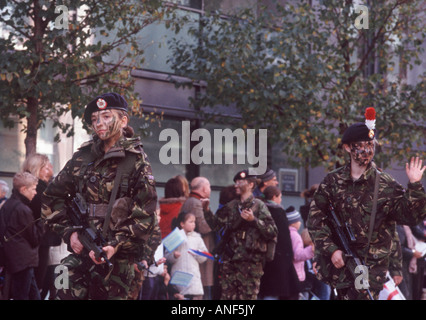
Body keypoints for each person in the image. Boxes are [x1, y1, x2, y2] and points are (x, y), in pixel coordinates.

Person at [41, 92, 158, 300]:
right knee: (62, 283)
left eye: (106, 116)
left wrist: (115, 245)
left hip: (116, 261)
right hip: (81, 252)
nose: (98, 124)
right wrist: (70, 233)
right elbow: (51, 198)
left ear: (123, 121)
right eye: (94, 119)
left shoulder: (136, 161)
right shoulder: (83, 157)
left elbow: (146, 216)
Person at [307, 107, 426, 300]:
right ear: (347, 147)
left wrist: (414, 186)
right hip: (339, 267)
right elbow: (315, 221)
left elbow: (410, 216)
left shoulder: (385, 184)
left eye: (370, 145)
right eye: (360, 145)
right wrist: (331, 250)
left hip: (369, 269)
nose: (367, 150)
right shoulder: (332, 182)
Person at [205, 169, 278, 300]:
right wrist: (206, 210)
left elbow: (272, 231)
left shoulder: (259, 206)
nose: (236, 185)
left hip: (250, 265)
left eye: (240, 182)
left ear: (250, 184)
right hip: (230, 263)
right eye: (236, 182)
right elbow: (216, 225)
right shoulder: (231, 206)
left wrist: (254, 221)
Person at [1, 172, 45, 299]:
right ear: (24, 189)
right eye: (33, 189)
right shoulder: (23, 210)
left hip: (15, 258)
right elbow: (35, 238)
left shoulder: (8, 205)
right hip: (23, 261)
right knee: (23, 295)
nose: (35, 192)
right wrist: (43, 223)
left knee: (32, 294)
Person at [22, 153, 59, 296]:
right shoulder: (38, 190)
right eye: (47, 165)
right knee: (39, 285)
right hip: (40, 243)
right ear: (38, 168)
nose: (51, 167)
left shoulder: (35, 188)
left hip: (40, 242)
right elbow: (46, 214)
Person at [258, 186, 300, 300]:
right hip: (279, 258)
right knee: (276, 290)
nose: (281, 200)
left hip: (265, 255)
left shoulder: (260, 209)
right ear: (274, 197)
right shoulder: (278, 211)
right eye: (280, 197)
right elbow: (283, 238)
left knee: (268, 290)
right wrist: (288, 255)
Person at [181, 176, 215, 299]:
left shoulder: (190, 200)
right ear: (205, 188)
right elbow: (203, 227)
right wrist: (216, 224)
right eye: (209, 187)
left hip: (195, 251)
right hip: (201, 250)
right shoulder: (196, 202)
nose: (210, 189)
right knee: (204, 286)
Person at [165, 211, 208, 300]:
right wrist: (174, 256)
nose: (193, 224)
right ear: (182, 224)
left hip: (194, 280)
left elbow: (204, 256)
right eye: (190, 222)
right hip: (180, 279)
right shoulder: (175, 236)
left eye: (194, 222)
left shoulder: (197, 237)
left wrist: (197, 253)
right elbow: (167, 256)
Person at [287, 207, 314, 296]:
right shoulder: (295, 236)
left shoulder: (288, 234)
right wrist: (311, 249)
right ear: (294, 223)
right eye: (298, 221)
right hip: (297, 275)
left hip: (290, 273)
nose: (300, 222)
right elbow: (297, 255)